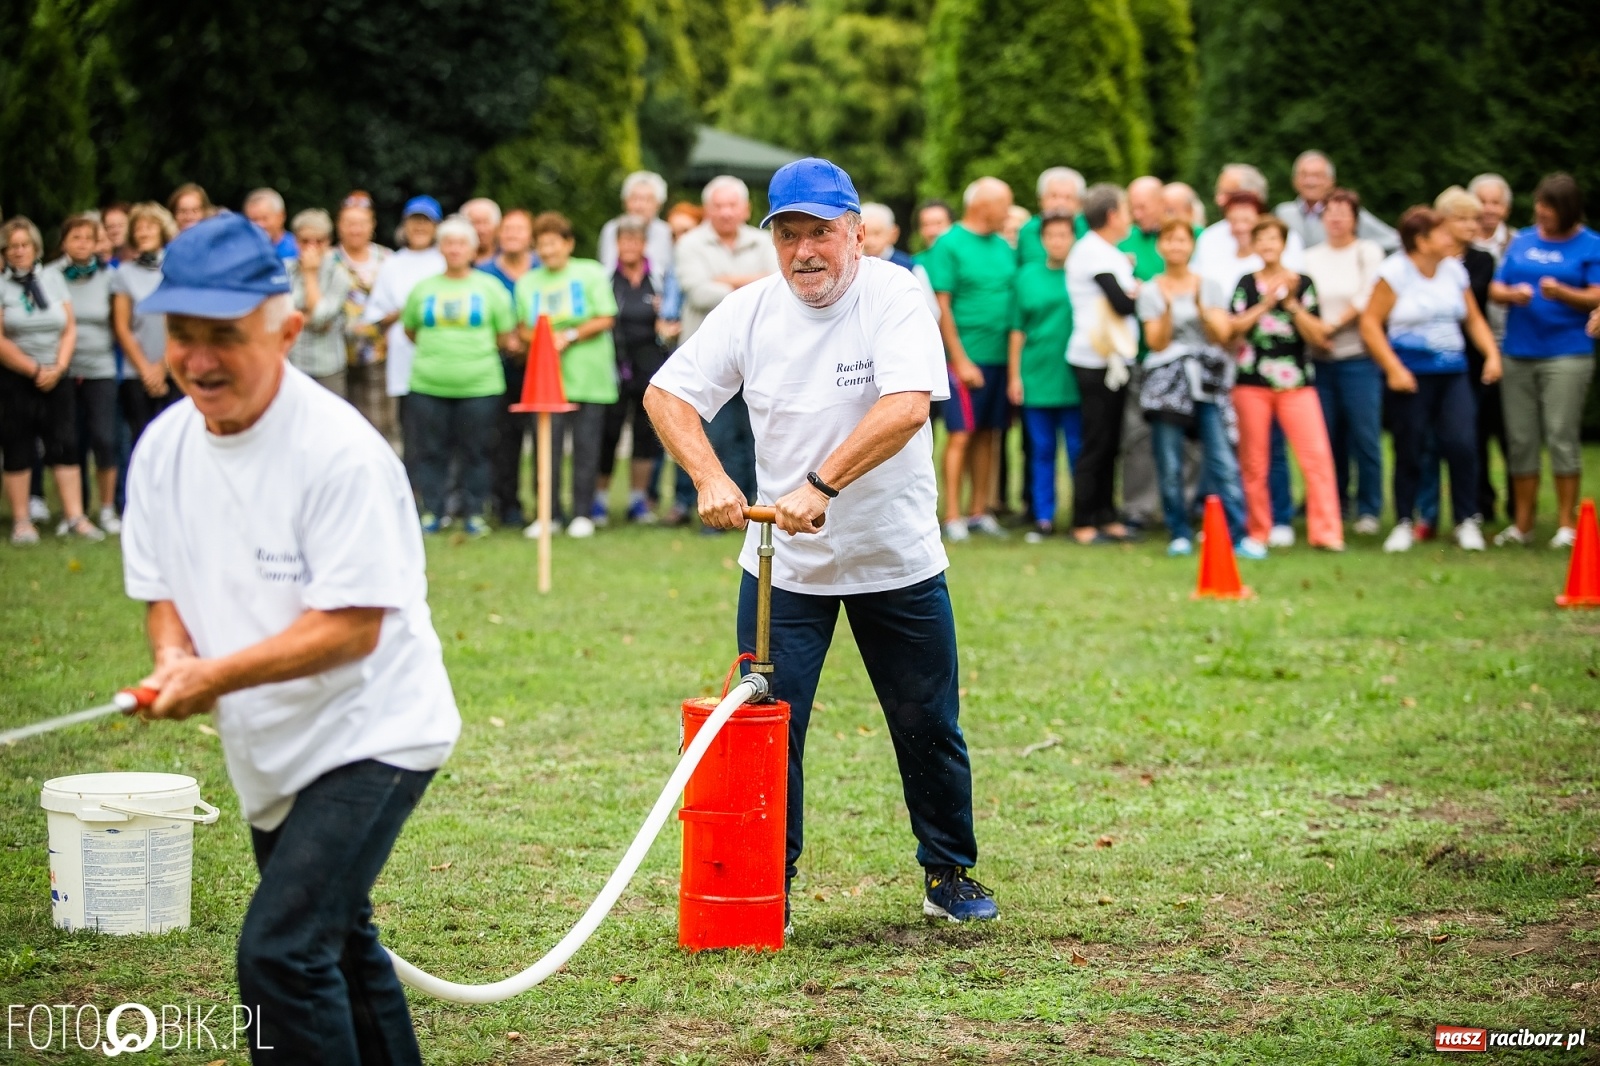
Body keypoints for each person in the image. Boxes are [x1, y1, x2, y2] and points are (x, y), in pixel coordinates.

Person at [121, 211, 460, 1064]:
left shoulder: (339, 452)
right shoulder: (161, 449)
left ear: (288, 330)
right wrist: (172, 657)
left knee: (281, 954)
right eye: (183, 335)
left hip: (375, 730)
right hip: (273, 743)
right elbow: (161, 588)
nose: (198, 360)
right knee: (340, 944)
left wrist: (213, 677)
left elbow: (351, 630)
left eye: (224, 337)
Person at [644, 156, 996, 928]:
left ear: (856, 234)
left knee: (927, 722)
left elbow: (906, 407)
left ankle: (949, 874)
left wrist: (819, 485)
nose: (804, 251)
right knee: (768, 729)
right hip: (785, 569)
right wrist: (709, 477)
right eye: (789, 235)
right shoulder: (751, 310)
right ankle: (772, 887)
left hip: (895, 557)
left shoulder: (897, 294)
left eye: (821, 234)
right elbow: (666, 394)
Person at [1360, 206, 1501, 552]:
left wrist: (1492, 355)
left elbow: (1473, 319)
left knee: (1462, 443)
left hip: (1452, 373)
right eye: (1441, 232)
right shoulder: (1394, 272)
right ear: (1421, 241)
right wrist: (1393, 368)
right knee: (1411, 448)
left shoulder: (1453, 270)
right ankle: (1406, 521)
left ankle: (1466, 521)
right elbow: (1370, 324)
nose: (1450, 238)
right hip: (1410, 377)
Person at [1488, 172, 1600, 549]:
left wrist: (1563, 292)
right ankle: (1523, 524)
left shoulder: (1590, 245)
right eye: (1538, 209)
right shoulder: (1521, 239)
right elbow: (1496, 285)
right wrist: (1511, 294)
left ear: (1566, 211)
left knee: (1561, 435)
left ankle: (1568, 524)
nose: (1541, 216)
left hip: (1567, 353)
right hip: (1518, 351)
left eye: (1549, 211)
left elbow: (1597, 296)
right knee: (1520, 439)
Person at [1137, 219, 1257, 557]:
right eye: (1169, 240)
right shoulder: (1151, 290)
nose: (1176, 247)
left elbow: (1221, 334)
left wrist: (1203, 310)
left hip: (1205, 382)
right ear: (1161, 246)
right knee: (1170, 462)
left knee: (1221, 459)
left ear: (1192, 246)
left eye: (1182, 240)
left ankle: (1238, 534)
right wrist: (1169, 310)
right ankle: (1179, 532)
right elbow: (1155, 343)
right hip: (1166, 385)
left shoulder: (1210, 286)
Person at [1225, 216, 1343, 551]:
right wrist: (1266, 303)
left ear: (1284, 243)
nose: (1267, 245)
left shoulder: (1302, 283)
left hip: (1297, 381)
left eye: (1273, 239)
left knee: (1316, 457)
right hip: (1252, 381)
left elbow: (1318, 336)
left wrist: (1290, 303)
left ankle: (1326, 531)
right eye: (1260, 239)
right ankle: (1258, 530)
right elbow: (1234, 329)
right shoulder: (1246, 283)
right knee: (1254, 461)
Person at [401, 217, 517, 536]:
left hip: (480, 385)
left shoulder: (490, 288)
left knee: (477, 452)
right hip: (428, 384)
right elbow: (411, 329)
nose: (454, 249)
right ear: (441, 249)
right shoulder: (424, 289)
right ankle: (433, 512)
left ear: (472, 248)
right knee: (431, 451)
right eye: (448, 243)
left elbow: (504, 335)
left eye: (461, 243)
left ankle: (475, 512)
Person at [671, 176, 777, 523]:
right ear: (707, 210)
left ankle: (758, 509)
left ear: (746, 209)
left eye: (733, 205)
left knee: (758, 435)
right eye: (718, 205)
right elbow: (699, 294)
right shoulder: (689, 243)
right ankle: (719, 514)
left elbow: (780, 285)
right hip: (708, 360)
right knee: (715, 436)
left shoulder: (765, 240)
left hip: (761, 355)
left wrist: (724, 280)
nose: (726, 212)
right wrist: (755, 281)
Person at [1200, 188, 1300, 546]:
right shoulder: (1215, 252)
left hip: (1285, 370)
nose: (1241, 226)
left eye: (1249, 220)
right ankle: (1248, 520)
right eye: (1236, 219)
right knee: (1243, 448)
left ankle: (1282, 516)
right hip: (1235, 364)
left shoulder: (1288, 273)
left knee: (1274, 447)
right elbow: (1225, 317)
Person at [514, 211, 618, 538]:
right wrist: (546, 340)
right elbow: (523, 329)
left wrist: (569, 336)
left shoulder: (590, 273)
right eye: (541, 245)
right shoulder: (527, 283)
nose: (547, 251)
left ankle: (582, 513)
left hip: (589, 376)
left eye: (553, 243)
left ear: (568, 243)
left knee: (586, 447)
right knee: (548, 447)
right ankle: (549, 514)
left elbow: (605, 317)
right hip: (547, 381)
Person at [924, 177, 1016, 541]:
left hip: (998, 357)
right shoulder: (949, 244)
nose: (1008, 212)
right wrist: (960, 359)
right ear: (983, 205)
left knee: (990, 435)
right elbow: (941, 307)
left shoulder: (1004, 246)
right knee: (961, 434)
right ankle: (952, 516)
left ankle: (980, 511)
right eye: (1005, 204)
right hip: (964, 358)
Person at [1, 216, 101, 544]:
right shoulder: (1, 285)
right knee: (18, 445)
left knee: (66, 444)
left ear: (35, 248)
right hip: (16, 376)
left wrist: (58, 367)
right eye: (11, 246)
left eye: (24, 245)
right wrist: (32, 369)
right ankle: (21, 522)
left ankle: (75, 517)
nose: (18, 251)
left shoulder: (54, 279)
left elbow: (69, 326)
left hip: (57, 374)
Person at [1416, 187, 1504, 534]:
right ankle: (1428, 514)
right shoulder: (1420, 262)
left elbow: (1474, 306)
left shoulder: (1481, 261)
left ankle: (1472, 512)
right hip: (1430, 361)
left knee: (1466, 439)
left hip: (1469, 360)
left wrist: (1490, 355)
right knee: (1426, 442)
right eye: (1463, 218)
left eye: (1475, 219)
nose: (1472, 225)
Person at [1303, 188, 1386, 534]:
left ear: (1355, 218)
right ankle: (1333, 504)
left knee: (1364, 436)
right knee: (1327, 438)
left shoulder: (1368, 252)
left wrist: (1333, 326)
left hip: (1358, 358)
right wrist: (1316, 333)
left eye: (1343, 212)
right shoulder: (1309, 257)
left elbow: (1368, 295)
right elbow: (1302, 297)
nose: (1336, 218)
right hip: (1321, 359)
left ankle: (1370, 508)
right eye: (1330, 212)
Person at [1064, 183, 1139, 544]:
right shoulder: (1094, 251)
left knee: (1111, 440)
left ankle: (1106, 514)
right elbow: (1121, 303)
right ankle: (1083, 520)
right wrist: (1139, 292)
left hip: (1113, 358)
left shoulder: (1106, 250)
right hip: (1095, 359)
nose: (1129, 218)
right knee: (1096, 440)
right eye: (1126, 210)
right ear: (1112, 215)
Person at [1007, 211, 1079, 541]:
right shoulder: (1026, 276)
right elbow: (1017, 330)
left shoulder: (1084, 274)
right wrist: (1014, 376)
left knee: (1078, 449)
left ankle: (1082, 514)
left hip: (1075, 374)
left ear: (1074, 238)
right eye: (1051, 235)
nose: (1058, 241)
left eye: (1064, 235)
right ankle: (1044, 516)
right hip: (1036, 373)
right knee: (1042, 449)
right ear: (1042, 239)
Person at [55, 213, 122, 533]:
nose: (82, 244)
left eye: (88, 238)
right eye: (75, 237)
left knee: (104, 439)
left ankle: (107, 509)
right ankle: (75, 512)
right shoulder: (50, 276)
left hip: (101, 368)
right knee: (69, 442)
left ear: (98, 243)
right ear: (63, 242)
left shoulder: (111, 277)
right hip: (62, 370)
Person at [600, 215, 669, 524]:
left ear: (644, 245)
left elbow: (670, 317)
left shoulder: (659, 280)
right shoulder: (605, 280)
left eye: (634, 240)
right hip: (613, 368)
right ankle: (599, 501)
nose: (628, 246)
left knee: (645, 435)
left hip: (650, 368)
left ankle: (638, 501)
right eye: (623, 240)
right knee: (608, 434)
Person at [1116, 175, 1171, 531]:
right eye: (1132, 207)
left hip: (1174, 353)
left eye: (1143, 206)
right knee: (1136, 435)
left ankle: (1181, 504)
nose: (1137, 213)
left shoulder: (1183, 235)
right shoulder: (1124, 242)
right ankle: (1137, 507)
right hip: (1134, 354)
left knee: (1184, 435)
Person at [476, 208, 537, 527]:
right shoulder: (484, 272)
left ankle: (545, 507)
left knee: (541, 440)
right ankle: (506, 505)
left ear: (531, 236)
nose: (513, 235)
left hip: (540, 368)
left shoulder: (543, 268)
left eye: (519, 229)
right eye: (507, 230)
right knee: (503, 441)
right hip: (498, 367)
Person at [364, 197, 445, 416]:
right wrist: (405, 314)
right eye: (414, 221)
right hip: (403, 359)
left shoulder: (445, 261)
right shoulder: (392, 263)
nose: (419, 227)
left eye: (426, 221)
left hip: (442, 356)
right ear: (404, 225)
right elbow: (375, 314)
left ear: (436, 227)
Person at [110, 201, 181, 447]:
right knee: (142, 441)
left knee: (174, 440)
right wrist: (146, 370)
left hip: (174, 368)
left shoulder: (176, 268)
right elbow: (121, 326)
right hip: (137, 372)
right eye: (138, 227)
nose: (143, 232)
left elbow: (178, 321)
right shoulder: (124, 274)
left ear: (161, 230)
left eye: (149, 226)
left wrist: (162, 367)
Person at [333, 192, 396, 444]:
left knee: (379, 422)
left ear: (372, 226)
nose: (355, 229)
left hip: (378, 353)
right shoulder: (329, 259)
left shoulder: (388, 259)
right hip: (335, 354)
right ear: (339, 226)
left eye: (361, 223)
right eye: (349, 223)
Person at [1196, 165, 1306, 284]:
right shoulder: (1209, 237)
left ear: (1253, 195)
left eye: (1228, 194)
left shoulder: (1286, 237)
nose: (1218, 200)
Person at [1273, 151, 1400, 253]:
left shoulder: (1345, 212)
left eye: (1317, 176)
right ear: (1294, 180)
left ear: (1331, 181)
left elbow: (1394, 241)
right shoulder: (1283, 213)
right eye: (1304, 175)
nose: (1310, 182)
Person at [285, 209, 352, 396]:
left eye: (319, 241)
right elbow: (277, 316)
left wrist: (310, 274)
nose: (311, 247)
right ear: (296, 241)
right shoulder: (285, 270)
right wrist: (305, 317)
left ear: (328, 242)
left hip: (327, 368)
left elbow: (320, 317)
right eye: (305, 241)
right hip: (292, 364)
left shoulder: (339, 275)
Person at [597, 170, 675, 276]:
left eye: (647, 200)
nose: (639, 206)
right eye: (634, 198)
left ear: (659, 205)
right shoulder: (611, 229)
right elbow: (606, 270)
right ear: (624, 202)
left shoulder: (666, 232)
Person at [1017, 167, 1087, 265]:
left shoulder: (1090, 228)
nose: (1060, 203)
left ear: (1079, 203)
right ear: (1041, 199)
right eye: (1054, 196)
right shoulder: (1028, 230)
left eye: (1068, 197)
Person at [244, 188, 297, 260]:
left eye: (264, 218)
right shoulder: (242, 251)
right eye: (254, 220)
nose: (260, 225)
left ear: (281, 216)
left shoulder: (298, 248)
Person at [461, 197, 501, 266]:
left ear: (497, 225)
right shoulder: (455, 258)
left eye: (486, 222)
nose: (481, 230)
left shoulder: (506, 256)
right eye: (475, 223)